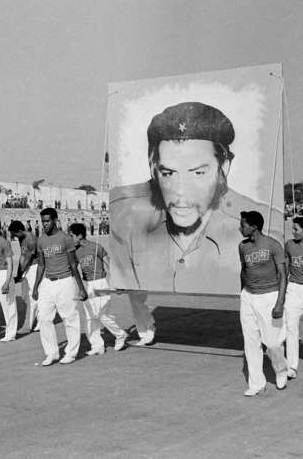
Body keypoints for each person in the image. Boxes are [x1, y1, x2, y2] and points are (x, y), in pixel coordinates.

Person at [111, 102, 284, 294]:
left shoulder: (269, 227)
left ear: (223, 167)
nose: (181, 191)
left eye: (198, 173)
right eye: (168, 173)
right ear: (153, 168)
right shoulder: (124, 217)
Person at [238, 210, 288, 396]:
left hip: (269, 296)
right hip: (248, 297)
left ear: (254, 227)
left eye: (243, 225)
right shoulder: (242, 247)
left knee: (272, 342)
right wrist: (242, 293)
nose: (240, 228)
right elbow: (243, 271)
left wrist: (280, 303)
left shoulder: (273, 245)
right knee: (251, 342)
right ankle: (257, 383)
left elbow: (283, 275)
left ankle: (281, 370)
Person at [32, 208, 88, 366]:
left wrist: (81, 287)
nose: (45, 224)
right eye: (43, 221)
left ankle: (71, 352)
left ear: (55, 220)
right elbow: (41, 265)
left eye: (48, 221)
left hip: (65, 282)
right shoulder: (41, 240)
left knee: (69, 318)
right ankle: (51, 353)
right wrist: (36, 287)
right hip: (48, 283)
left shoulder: (65, 238)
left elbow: (72, 264)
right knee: (43, 318)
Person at [68, 222, 127, 353]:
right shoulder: (75, 252)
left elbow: (109, 264)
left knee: (101, 314)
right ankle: (97, 346)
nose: (70, 238)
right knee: (90, 317)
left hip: (101, 283)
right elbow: (73, 269)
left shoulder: (96, 247)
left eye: (72, 236)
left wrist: (117, 282)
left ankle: (120, 334)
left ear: (80, 235)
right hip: (87, 285)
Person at [9, 220, 39, 333]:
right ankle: (41, 320)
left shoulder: (30, 240)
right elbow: (22, 258)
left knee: (31, 297)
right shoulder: (22, 238)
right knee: (24, 296)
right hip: (28, 268)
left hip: (34, 268)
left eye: (15, 234)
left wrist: (18, 275)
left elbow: (26, 260)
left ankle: (27, 325)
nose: (14, 237)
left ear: (20, 231)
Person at [284, 216, 303, 379]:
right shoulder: (289, 245)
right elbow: (285, 270)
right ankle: (292, 367)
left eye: (296, 229)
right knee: (291, 328)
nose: (293, 231)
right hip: (294, 290)